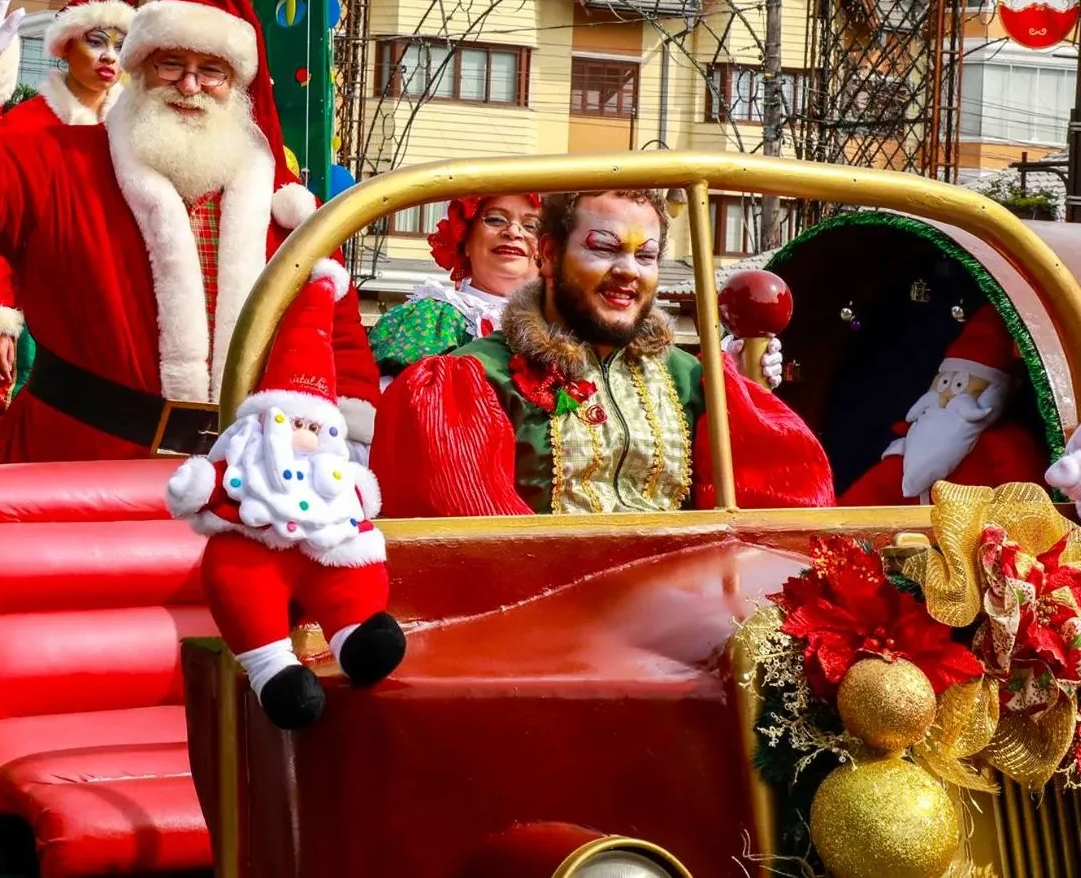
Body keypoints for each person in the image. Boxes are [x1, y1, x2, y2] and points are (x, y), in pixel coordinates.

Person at [0, 0, 378, 464]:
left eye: (211, 70)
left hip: (242, 481)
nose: (189, 85)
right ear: (143, 70)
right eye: (171, 63)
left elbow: (336, 335)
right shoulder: (61, 161)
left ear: (237, 84)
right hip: (73, 465)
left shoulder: (288, 207)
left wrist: (344, 444)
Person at [368, 189, 834, 516]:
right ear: (548, 255)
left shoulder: (692, 378)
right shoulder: (470, 378)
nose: (628, 271)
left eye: (646, 256)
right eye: (604, 248)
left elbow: (771, 520)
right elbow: (473, 554)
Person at [166, 260, 401, 728]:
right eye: (296, 424)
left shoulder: (333, 466)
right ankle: (272, 670)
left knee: (357, 568)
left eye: (315, 427)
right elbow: (203, 485)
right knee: (235, 570)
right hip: (255, 552)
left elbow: (364, 498)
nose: (306, 436)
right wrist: (196, 484)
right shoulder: (244, 461)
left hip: (324, 548)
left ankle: (355, 635)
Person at [0, 0, 135, 458]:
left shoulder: (135, 132)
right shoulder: (23, 128)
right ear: (64, 47)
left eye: (121, 45)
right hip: (26, 298)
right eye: (96, 41)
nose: (110, 57)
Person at [840, 304, 1049, 505]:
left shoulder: (1004, 446)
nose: (947, 398)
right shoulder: (911, 449)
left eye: (960, 386)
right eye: (944, 384)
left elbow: (1029, 504)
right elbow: (865, 498)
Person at [369, 194, 542, 380]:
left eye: (531, 226)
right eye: (496, 220)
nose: (514, 232)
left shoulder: (564, 325)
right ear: (465, 240)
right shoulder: (433, 318)